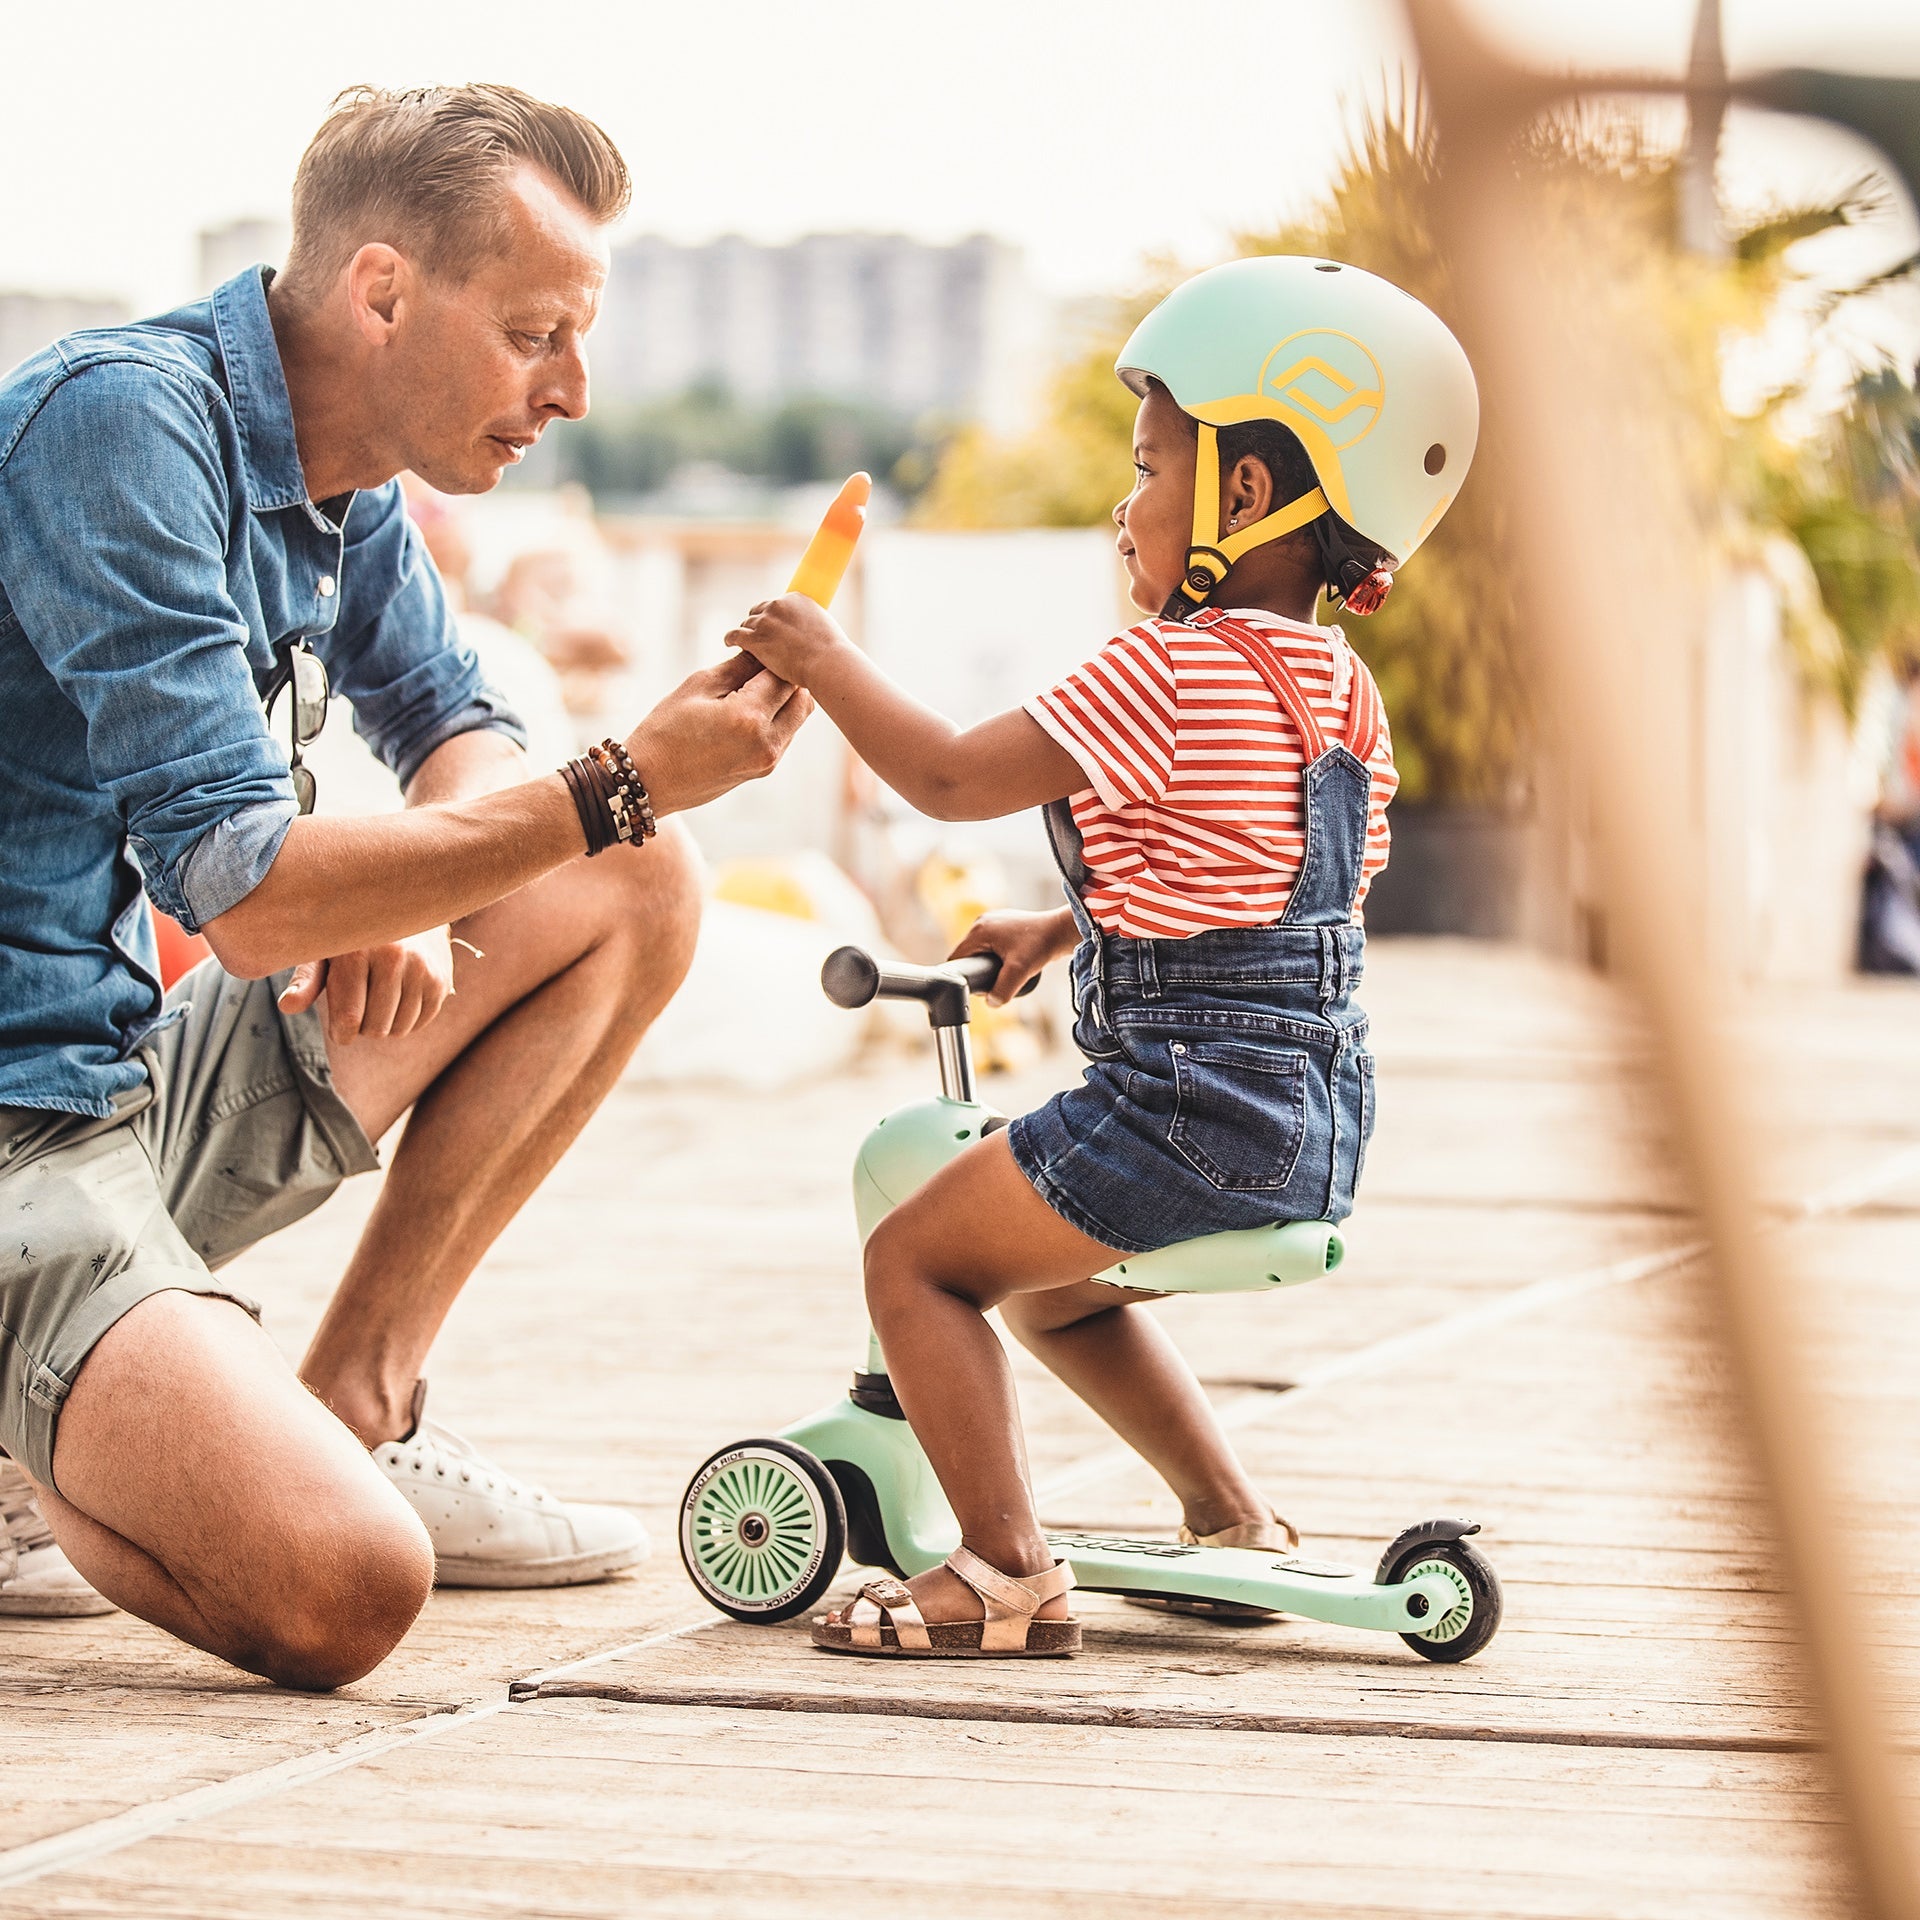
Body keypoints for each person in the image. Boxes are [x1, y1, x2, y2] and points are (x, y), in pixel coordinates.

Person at [0, 86, 811, 1682]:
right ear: (381, 292)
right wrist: (615, 778)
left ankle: (352, 1407)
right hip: (17, 1138)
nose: (570, 388)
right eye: (534, 333)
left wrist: (424, 891)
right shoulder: (118, 425)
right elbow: (246, 894)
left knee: (637, 879)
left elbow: (461, 727)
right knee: (343, 1590)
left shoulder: (339, 474)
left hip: (114, 1086)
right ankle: (61, 1444)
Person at [727, 256, 1477, 1658]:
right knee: (1055, 1294)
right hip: (1311, 1121)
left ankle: (1004, 1572)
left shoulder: (1158, 667)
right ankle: (1230, 1516)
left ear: (1245, 498)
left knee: (918, 1264)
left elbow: (950, 781)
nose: (1121, 506)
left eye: (1149, 467)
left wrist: (824, 659)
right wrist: (1064, 923)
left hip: (1176, 1112)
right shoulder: (1341, 691)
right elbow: (1285, 893)